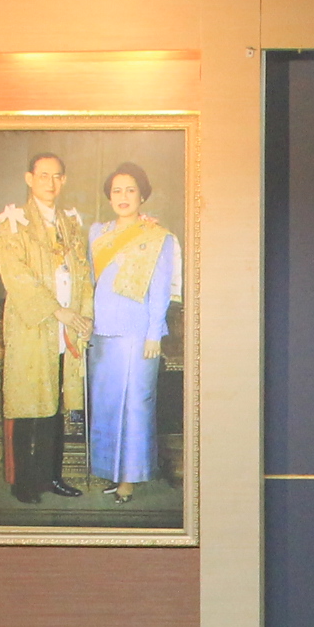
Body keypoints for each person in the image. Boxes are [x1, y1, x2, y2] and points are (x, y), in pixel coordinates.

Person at [0, 148, 92, 504]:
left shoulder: (70, 223)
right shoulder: (13, 222)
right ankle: (24, 481)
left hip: (66, 328)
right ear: (29, 179)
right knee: (29, 404)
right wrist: (55, 310)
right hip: (32, 325)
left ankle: (52, 476)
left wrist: (84, 315)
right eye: (43, 175)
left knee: (57, 404)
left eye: (56, 176)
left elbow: (83, 274)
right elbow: (16, 276)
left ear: (64, 180)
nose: (50, 182)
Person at [84, 162, 179, 503]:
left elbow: (161, 289)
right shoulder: (97, 233)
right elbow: (89, 281)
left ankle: (130, 478)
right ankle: (110, 470)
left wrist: (154, 333)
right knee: (107, 404)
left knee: (136, 405)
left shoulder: (157, 236)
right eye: (117, 191)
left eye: (130, 190)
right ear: (109, 196)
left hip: (139, 333)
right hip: (102, 331)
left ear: (142, 195)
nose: (123, 197)